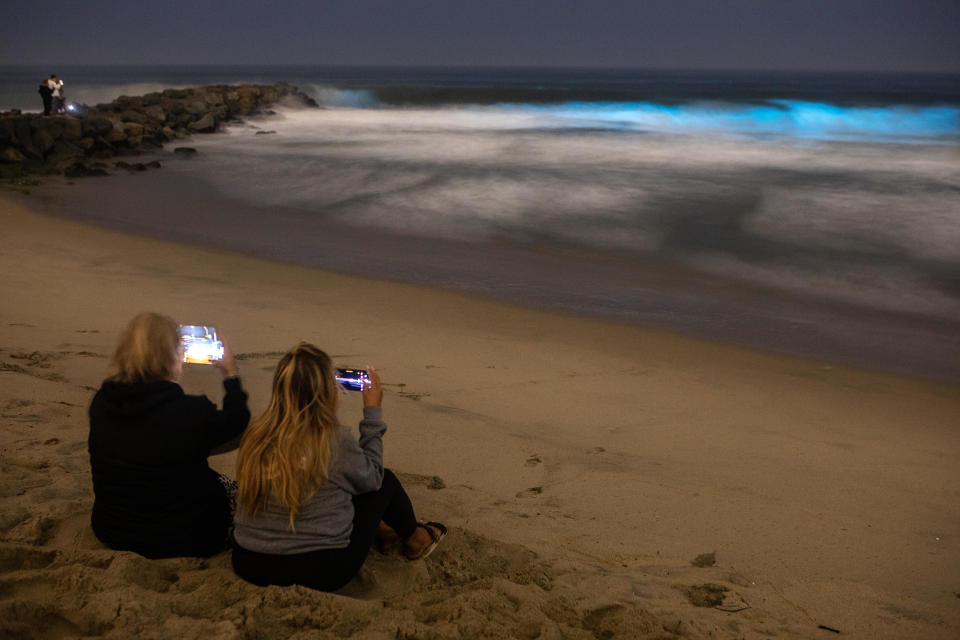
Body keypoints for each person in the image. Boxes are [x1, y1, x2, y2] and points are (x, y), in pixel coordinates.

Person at [231, 343, 446, 592]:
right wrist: (372, 412)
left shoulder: (255, 434)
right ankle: (416, 539)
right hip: (321, 571)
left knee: (335, 484)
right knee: (384, 481)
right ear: (328, 392)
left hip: (248, 562)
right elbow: (372, 478)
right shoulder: (332, 440)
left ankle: (385, 533)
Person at [88, 312, 251, 558]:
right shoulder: (189, 413)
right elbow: (238, 425)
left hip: (111, 529)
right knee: (231, 488)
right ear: (173, 356)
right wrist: (231, 374)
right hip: (184, 538)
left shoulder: (102, 402)